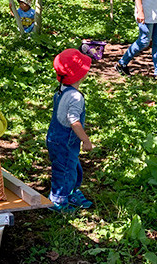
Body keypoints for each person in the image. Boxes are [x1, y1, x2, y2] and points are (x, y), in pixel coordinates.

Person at [48, 48, 94, 212]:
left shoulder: (61, 89)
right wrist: (85, 140)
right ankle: (58, 201)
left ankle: (72, 191)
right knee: (64, 170)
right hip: (65, 141)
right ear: (80, 74)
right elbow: (74, 121)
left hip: (55, 137)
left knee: (72, 166)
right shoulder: (75, 97)